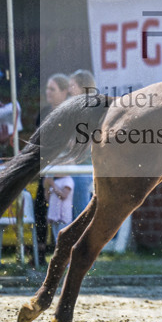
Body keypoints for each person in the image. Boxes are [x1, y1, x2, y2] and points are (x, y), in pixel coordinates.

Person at [34, 73, 70, 258]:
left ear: (64, 92)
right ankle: (40, 249)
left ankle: (62, 249)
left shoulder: (71, 112)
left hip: (65, 166)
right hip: (47, 164)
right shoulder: (44, 113)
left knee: (62, 210)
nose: (48, 92)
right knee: (41, 205)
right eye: (47, 88)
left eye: (52, 89)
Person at [67, 69, 96, 218]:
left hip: (86, 167)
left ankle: (83, 228)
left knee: (77, 181)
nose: (69, 89)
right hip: (73, 165)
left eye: (73, 86)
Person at [45, 174, 74, 247]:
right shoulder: (56, 181)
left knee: (63, 240)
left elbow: (64, 195)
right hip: (54, 215)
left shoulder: (68, 180)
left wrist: (52, 184)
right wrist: (46, 187)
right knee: (57, 241)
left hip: (64, 216)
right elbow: (48, 199)